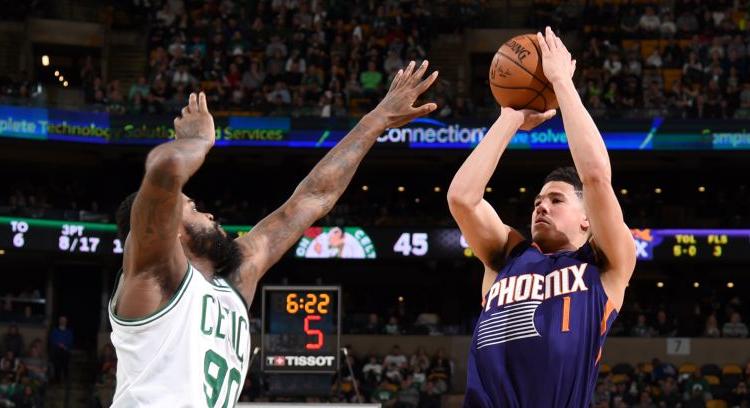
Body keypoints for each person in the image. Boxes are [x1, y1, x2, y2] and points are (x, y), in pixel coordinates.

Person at [109, 61, 438, 406]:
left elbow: (312, 198)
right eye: (191, 208)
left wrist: (376, 120)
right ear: (167, 231)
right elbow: (164, 171)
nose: (207, 213)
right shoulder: (152, 278)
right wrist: (197, 142)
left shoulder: (234, 280)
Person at [448, 27, 636, 407]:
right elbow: (461, 198)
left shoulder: (605, 267)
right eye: (537, 200)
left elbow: (596, 175)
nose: (540, 206)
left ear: (588, 219)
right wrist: (510, 119)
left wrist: (561, 84)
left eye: (556, 199)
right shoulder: (507, 256)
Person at [49, 316, 73, 383]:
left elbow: (70, 341)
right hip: (56, 350)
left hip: (65, 350)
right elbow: (52, 340)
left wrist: (64, 346)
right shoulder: (55, 331)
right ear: (59, 321)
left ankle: (66, 378)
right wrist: (59, 345)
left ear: (66, 322)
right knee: (57, 361)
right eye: (61, 320)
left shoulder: (69, 332)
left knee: (65, 358)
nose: (62, 321)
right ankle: (57, 379)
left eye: (64, 320)